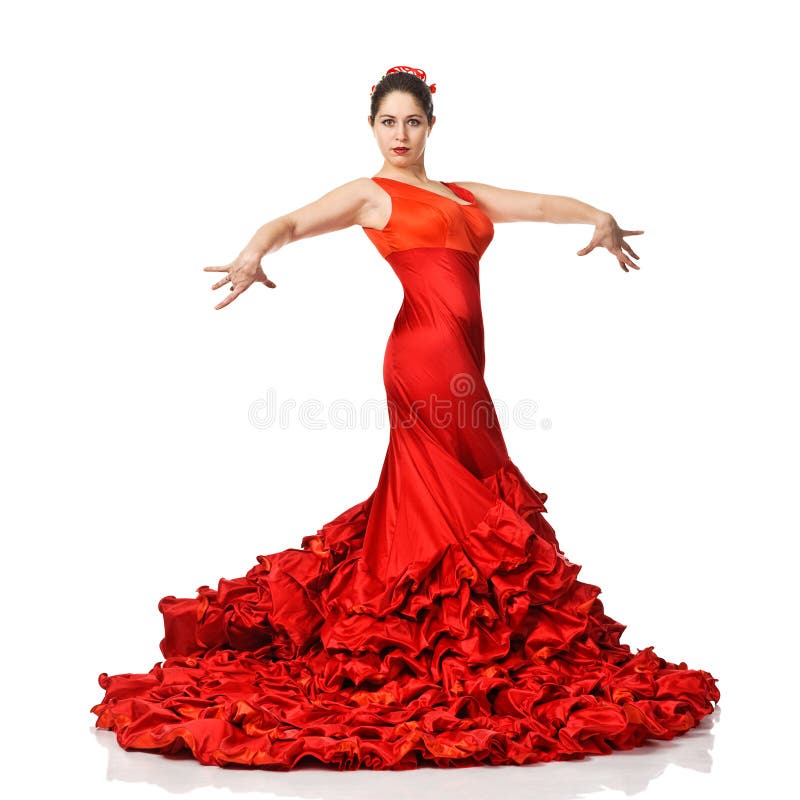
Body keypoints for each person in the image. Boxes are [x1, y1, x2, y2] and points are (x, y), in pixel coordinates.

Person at [91, 65, 720, 771]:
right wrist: (253, 251)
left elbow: (541, 206)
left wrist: (597, 216)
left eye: (412, 122)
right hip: (420, 360)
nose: (400, 134)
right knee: (456, 490)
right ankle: (441, 634)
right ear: (372, 127)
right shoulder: (371, 194)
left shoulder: (463, 194)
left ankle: (461, 626)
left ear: (430, 125)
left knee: (474, 481)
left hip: (465, 364)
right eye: (388, 122)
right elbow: (293, 221)